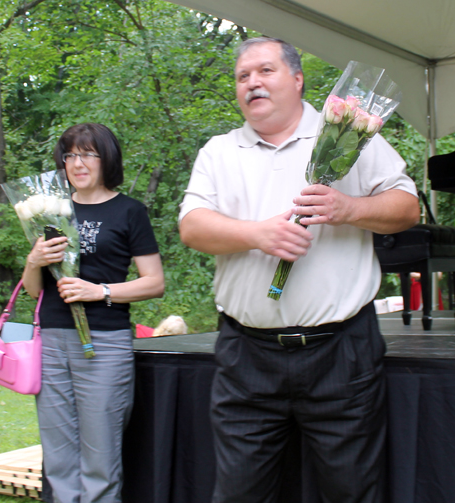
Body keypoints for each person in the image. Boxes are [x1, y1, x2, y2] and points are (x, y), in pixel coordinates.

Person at [179, 37, 420, 503]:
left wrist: (348, 207)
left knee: (349, 493)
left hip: (341, 353)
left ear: (297, 78)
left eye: (265, 71)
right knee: (237, 494)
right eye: (243, 76)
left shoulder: (350, 132)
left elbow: (407, 207)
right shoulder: (219, 151)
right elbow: (192, 228)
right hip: (246, 357)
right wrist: (257, 235)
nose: (253, 83)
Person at [22, 123, 165, 503]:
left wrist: (98, 291)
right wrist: (34, 260)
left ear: (107, 159)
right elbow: (35, 291)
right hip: (52, 342)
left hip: (104, 344)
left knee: (101, 459)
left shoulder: (129, 211)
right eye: (70, 155)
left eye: (88, 154)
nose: (77, 163)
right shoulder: (49, 210)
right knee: (59, 459)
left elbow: (154, 282)